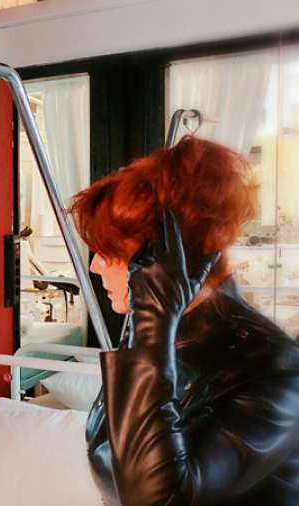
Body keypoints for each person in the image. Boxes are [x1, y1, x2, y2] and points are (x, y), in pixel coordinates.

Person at [70, 136, 299, 505]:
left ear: (165, 259)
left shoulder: (278, 371)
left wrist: (153, 325)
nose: (95, 266)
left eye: (108, 252)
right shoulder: (151, 336)